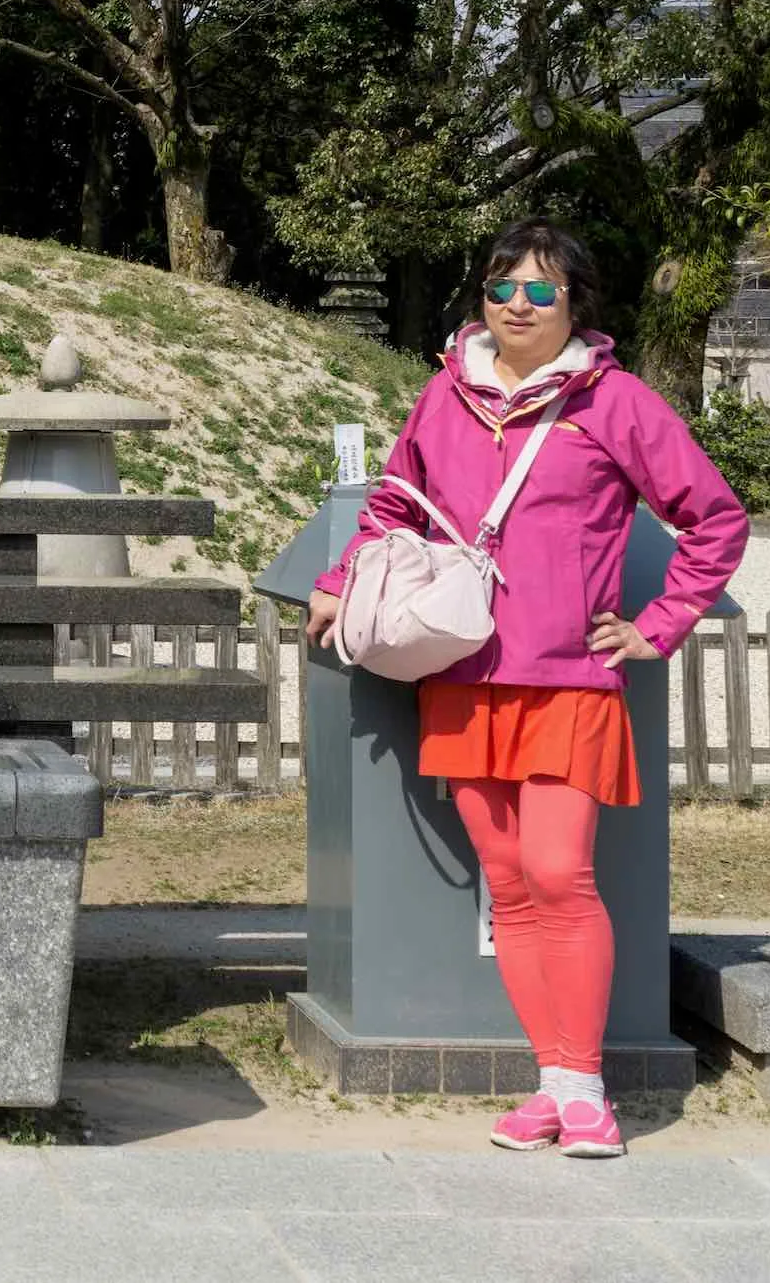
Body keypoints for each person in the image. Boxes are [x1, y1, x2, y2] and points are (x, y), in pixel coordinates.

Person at [304, 219, 747, 1159]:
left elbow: (714, 520)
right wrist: (342, 579)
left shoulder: (618, 403)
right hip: (461, 675)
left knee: (558, 873)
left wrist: (654, 625)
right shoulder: (442, 397)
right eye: (502, 286)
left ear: (576, 303)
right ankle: (551, 1082)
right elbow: (393, 503)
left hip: (570, 679)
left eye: (541, 291)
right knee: (506, 885)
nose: (517, 305)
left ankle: (587, 1089)